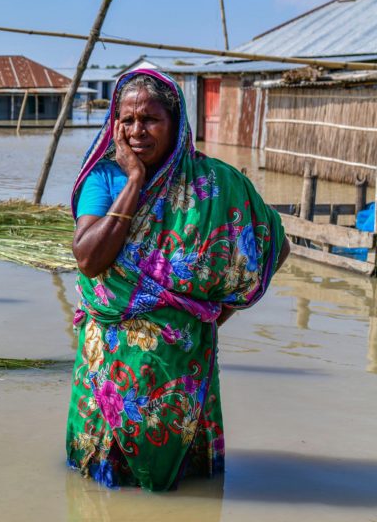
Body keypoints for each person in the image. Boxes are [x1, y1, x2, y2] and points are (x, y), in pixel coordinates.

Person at [66, 69, 289, 491]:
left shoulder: (215, 184)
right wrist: (133, 182)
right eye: (126, 120)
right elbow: (89, 259)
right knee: (102, 490)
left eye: (150, 120)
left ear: (176, 124)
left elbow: (274, 246)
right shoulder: (105, 178)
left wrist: (215, 313)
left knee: (184, 482)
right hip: (109, 364)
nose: (136, 131)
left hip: (181, 363)